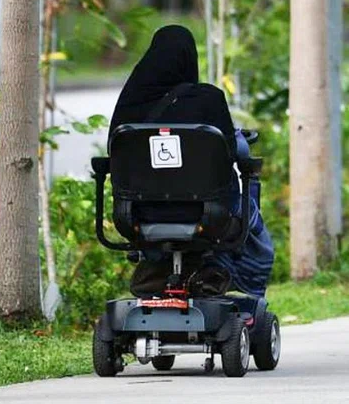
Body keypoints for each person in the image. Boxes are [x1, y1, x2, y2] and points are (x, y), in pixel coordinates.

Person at [109, 25, 274, 298]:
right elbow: (231, 151)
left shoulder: (128, 105)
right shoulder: (208, 99)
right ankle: (229, 279)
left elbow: (114, 154)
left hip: (137, 215)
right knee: (250, 221)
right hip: (209, 216)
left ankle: (158, 268)